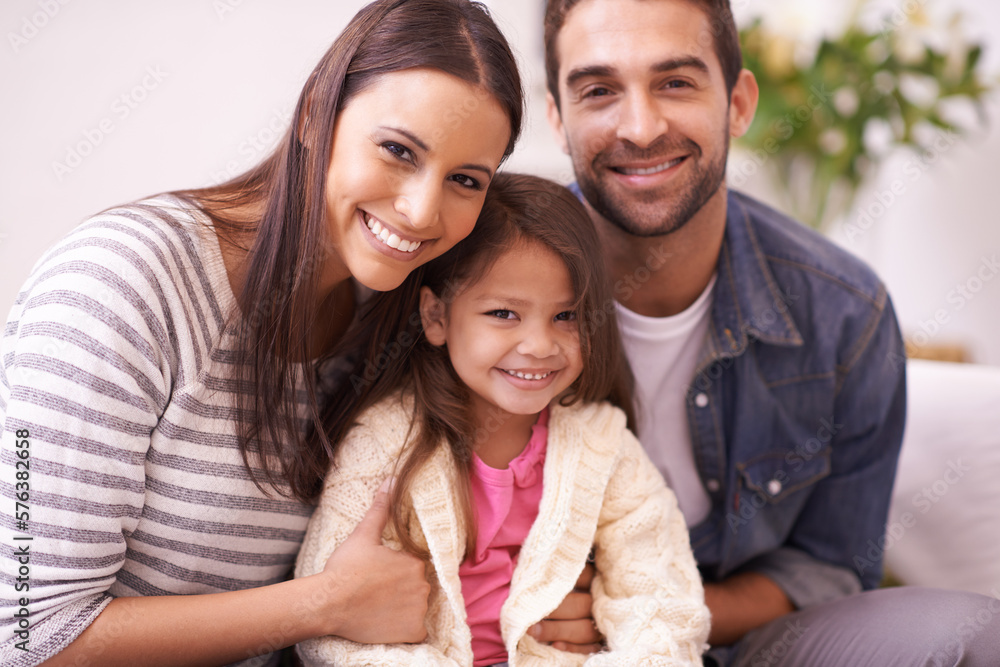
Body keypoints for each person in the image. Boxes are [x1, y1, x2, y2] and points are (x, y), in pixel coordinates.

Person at [0, 1, 524, 665]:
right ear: (314, 115)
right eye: (397, 151)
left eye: (465, 180)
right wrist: (327, 602)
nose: (422, 210)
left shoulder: (387, 318)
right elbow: (27, 636)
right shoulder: (121, 283)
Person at [538, 0, 1000, 665]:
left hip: (744, 643)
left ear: (738, 103)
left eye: (675, 82)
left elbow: (831, 566)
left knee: (978, 634)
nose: (639, 127)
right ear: (557, 115)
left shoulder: (845, 313)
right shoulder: (480, 291)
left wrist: (652, 613)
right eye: (599, 90)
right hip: (545, 647)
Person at [295, 173, 711, 666]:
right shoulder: (384, 443)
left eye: (567, 316)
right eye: (504, 314)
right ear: (437, 317)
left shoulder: (602, 444)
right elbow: (333, 631)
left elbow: (662, 601)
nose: (539, 345)